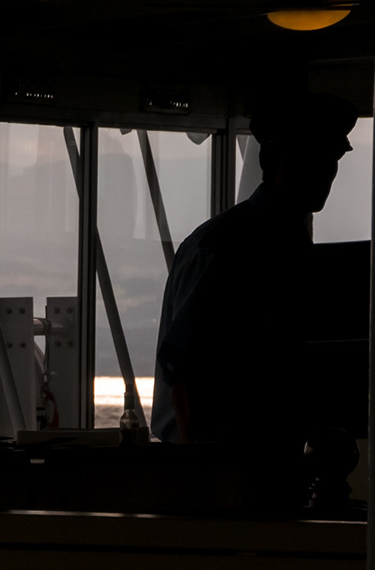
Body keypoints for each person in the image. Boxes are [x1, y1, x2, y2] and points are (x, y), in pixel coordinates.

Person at [152, 94, 358, 446]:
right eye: (313, 157)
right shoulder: (220, 250)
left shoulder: (287, 246)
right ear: (274, 161)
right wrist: (203, 471)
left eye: (332, 158)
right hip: (224, 465)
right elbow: (182, 375)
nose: (326, 171)